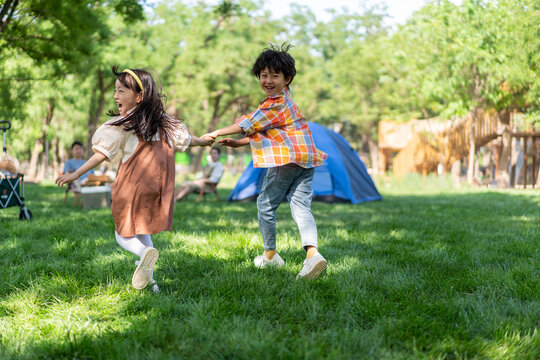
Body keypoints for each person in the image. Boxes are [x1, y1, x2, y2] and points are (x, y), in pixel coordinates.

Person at [56, 67, 213, 291]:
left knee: (122, 233)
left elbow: (101, 155)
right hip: (157, 185)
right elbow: (186, 140)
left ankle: (142, 253)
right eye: (115, 91)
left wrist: (76, 173)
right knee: (142, 230)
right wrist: (204, 141)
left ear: (139, 96)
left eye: (120, 91)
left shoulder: (124, 123)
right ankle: (152, 283)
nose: (115, 96)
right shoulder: (163, 122)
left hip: (132, 185)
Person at [204, 43, 329, 279]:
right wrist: (239, 143)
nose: (268, 80)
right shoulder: (286, 100)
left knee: (265, 205)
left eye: (275, 75)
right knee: (301, 206)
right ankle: (313, 255)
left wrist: (217, 132)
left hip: (287, 163)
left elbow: (248, 122)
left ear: (287, 78)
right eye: (263, 75)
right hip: (307, 160)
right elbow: (273, 133)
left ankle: (270, 255)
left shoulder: (275, 103)